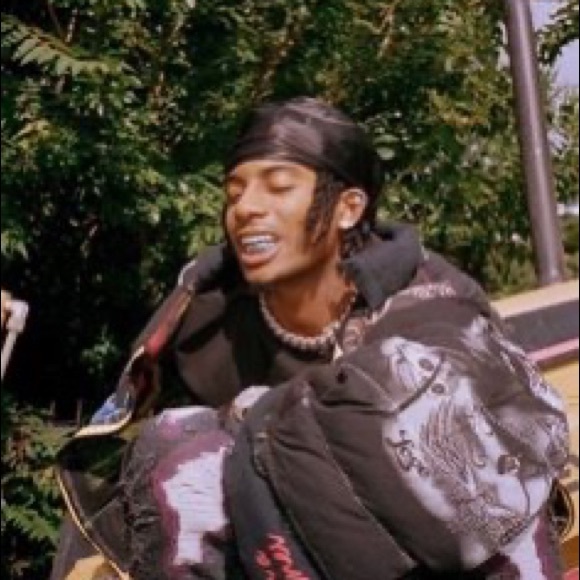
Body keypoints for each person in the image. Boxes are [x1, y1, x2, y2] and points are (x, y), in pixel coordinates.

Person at [51, 97, 570, 580]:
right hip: (271, 554)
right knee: (179, 448)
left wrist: (263, 420)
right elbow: (132, 466)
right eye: (234, 192)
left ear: (348, 208)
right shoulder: (207, 318)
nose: (246, 208)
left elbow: (506, 483)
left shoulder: (431, 307)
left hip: (433, 550)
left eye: (278, 187)